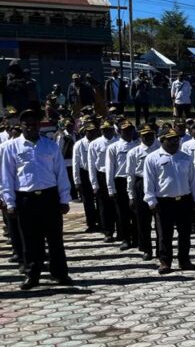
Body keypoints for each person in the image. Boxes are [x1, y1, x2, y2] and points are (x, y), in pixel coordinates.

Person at [0, 108, 73, 290]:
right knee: (30, 239)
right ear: (21, 125)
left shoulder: (50, 146)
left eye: (34, 124)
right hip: (26, 199)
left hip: (49, 197)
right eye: (27, 124)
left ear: (40, 125)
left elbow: (60, 173)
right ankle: (32, 275)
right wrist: (9, 202)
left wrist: (64, 199)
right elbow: (6, 177)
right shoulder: (10, 147)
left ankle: (60, 273)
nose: (31, 127)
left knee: (55, 239)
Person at [143, 127, 195, 275]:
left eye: (176, 139)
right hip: (164, 201)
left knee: (185, 233)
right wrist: (151, 201)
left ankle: (184, 260)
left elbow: (193, 180)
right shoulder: (152, 158)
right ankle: (165, 262)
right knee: (164, 234)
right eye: (170, 139)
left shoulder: (185, 157)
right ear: (162, 141)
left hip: (184, 200)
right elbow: (149, 182)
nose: (175, 142)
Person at [126, 124, 159, 260]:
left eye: (150, 135)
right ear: (140, 136)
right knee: (143, 220)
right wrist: (131, 195)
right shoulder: (134, 152)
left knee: (160, 219)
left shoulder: (160, 149)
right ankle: (146, 249)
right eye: (145, 135)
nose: (148, 138)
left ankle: (161, 248)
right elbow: (130, 175)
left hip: (158, 184)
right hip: (141, 184)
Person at [105, 121, 139, 251]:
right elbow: (110, 169)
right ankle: (125, 238)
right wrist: (111, 188)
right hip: (121, 181)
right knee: (122, 213)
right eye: (125, 130)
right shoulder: (113, 147)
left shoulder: (137, 145)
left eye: (130, 130)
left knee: (136, 212)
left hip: (135, 180)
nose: (128, 132)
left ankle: (137, 238)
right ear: (119, 132)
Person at [88, 119, 117, 242]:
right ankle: (108, 231)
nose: (107, 132)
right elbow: (91, 165)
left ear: (113, 130)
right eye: (104, 130)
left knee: (118, 206)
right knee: (104, 206)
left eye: (109, 130)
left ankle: (122, 231)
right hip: (102, 175)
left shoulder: (118, 142)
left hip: (116, 176)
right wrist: (94, 183)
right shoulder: (95, 144)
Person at [72, 121, 100, 232]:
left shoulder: (98, 143)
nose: (92, 134)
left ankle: (101, 221)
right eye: (89, 132)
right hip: (84, 173)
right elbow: (75, 163)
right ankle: (91, 224)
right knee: (87, 201)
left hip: (97, 173)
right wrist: (77, 181)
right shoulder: (79, 144)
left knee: (100, 200)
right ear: (85, 132)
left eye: (93, 131)